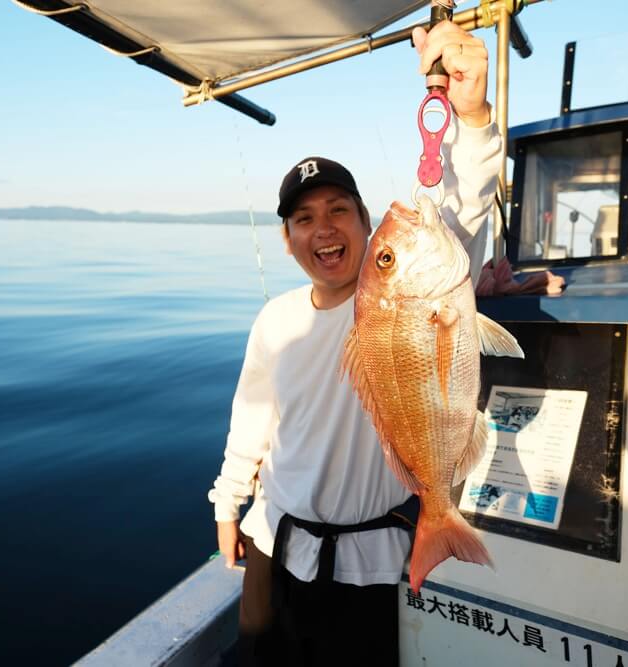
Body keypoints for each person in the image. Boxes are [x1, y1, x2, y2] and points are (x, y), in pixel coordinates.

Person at [207, 20, 503, 667]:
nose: (324, 229)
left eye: (340, 209)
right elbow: (252, 423)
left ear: (366, 227)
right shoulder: (275, 319)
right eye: (304, 218)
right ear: (287, 240)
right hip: (281, 545)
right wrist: (229, 503)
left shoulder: (405, 293)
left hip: (371, 564)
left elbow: (463, 201)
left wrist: (472, 113)